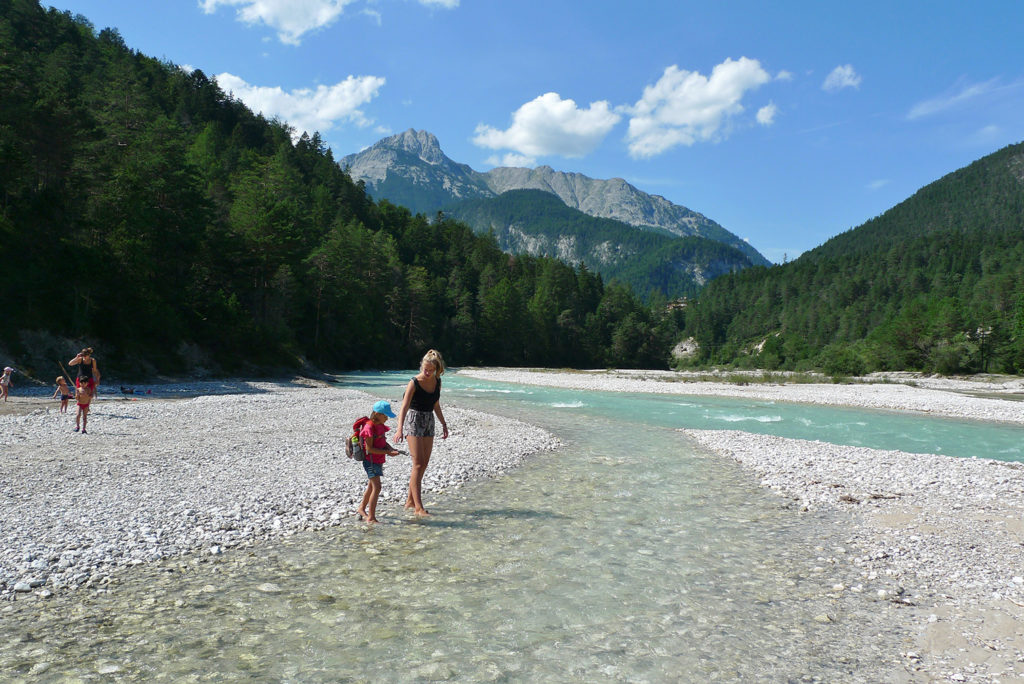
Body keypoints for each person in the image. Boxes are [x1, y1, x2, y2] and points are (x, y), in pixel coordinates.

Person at [396, 349, 448, 516]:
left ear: (437, 370)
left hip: (429, 422)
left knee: (423, 463)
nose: (427, 372)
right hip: (414, 421)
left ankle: (410, 501)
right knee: (418, 463)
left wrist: (444, 424)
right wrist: (399, 429)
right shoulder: (414, 382)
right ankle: (418, 507)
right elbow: (404, 406)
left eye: (431, 370)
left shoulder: (438, 382)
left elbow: (436, 405)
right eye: (425, 369)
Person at [357, 400, 400, 523]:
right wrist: (387, 453)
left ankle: (361, 509)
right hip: (370, 461)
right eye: (385, 415)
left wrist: (390, 448)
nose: (387, 418)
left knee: (371, 486)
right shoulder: (369, 427)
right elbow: (369, 449)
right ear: (376, 414)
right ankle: (371, 517)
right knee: (377, 487)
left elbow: (382, 441)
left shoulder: (380, 426)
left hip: (378, 460)